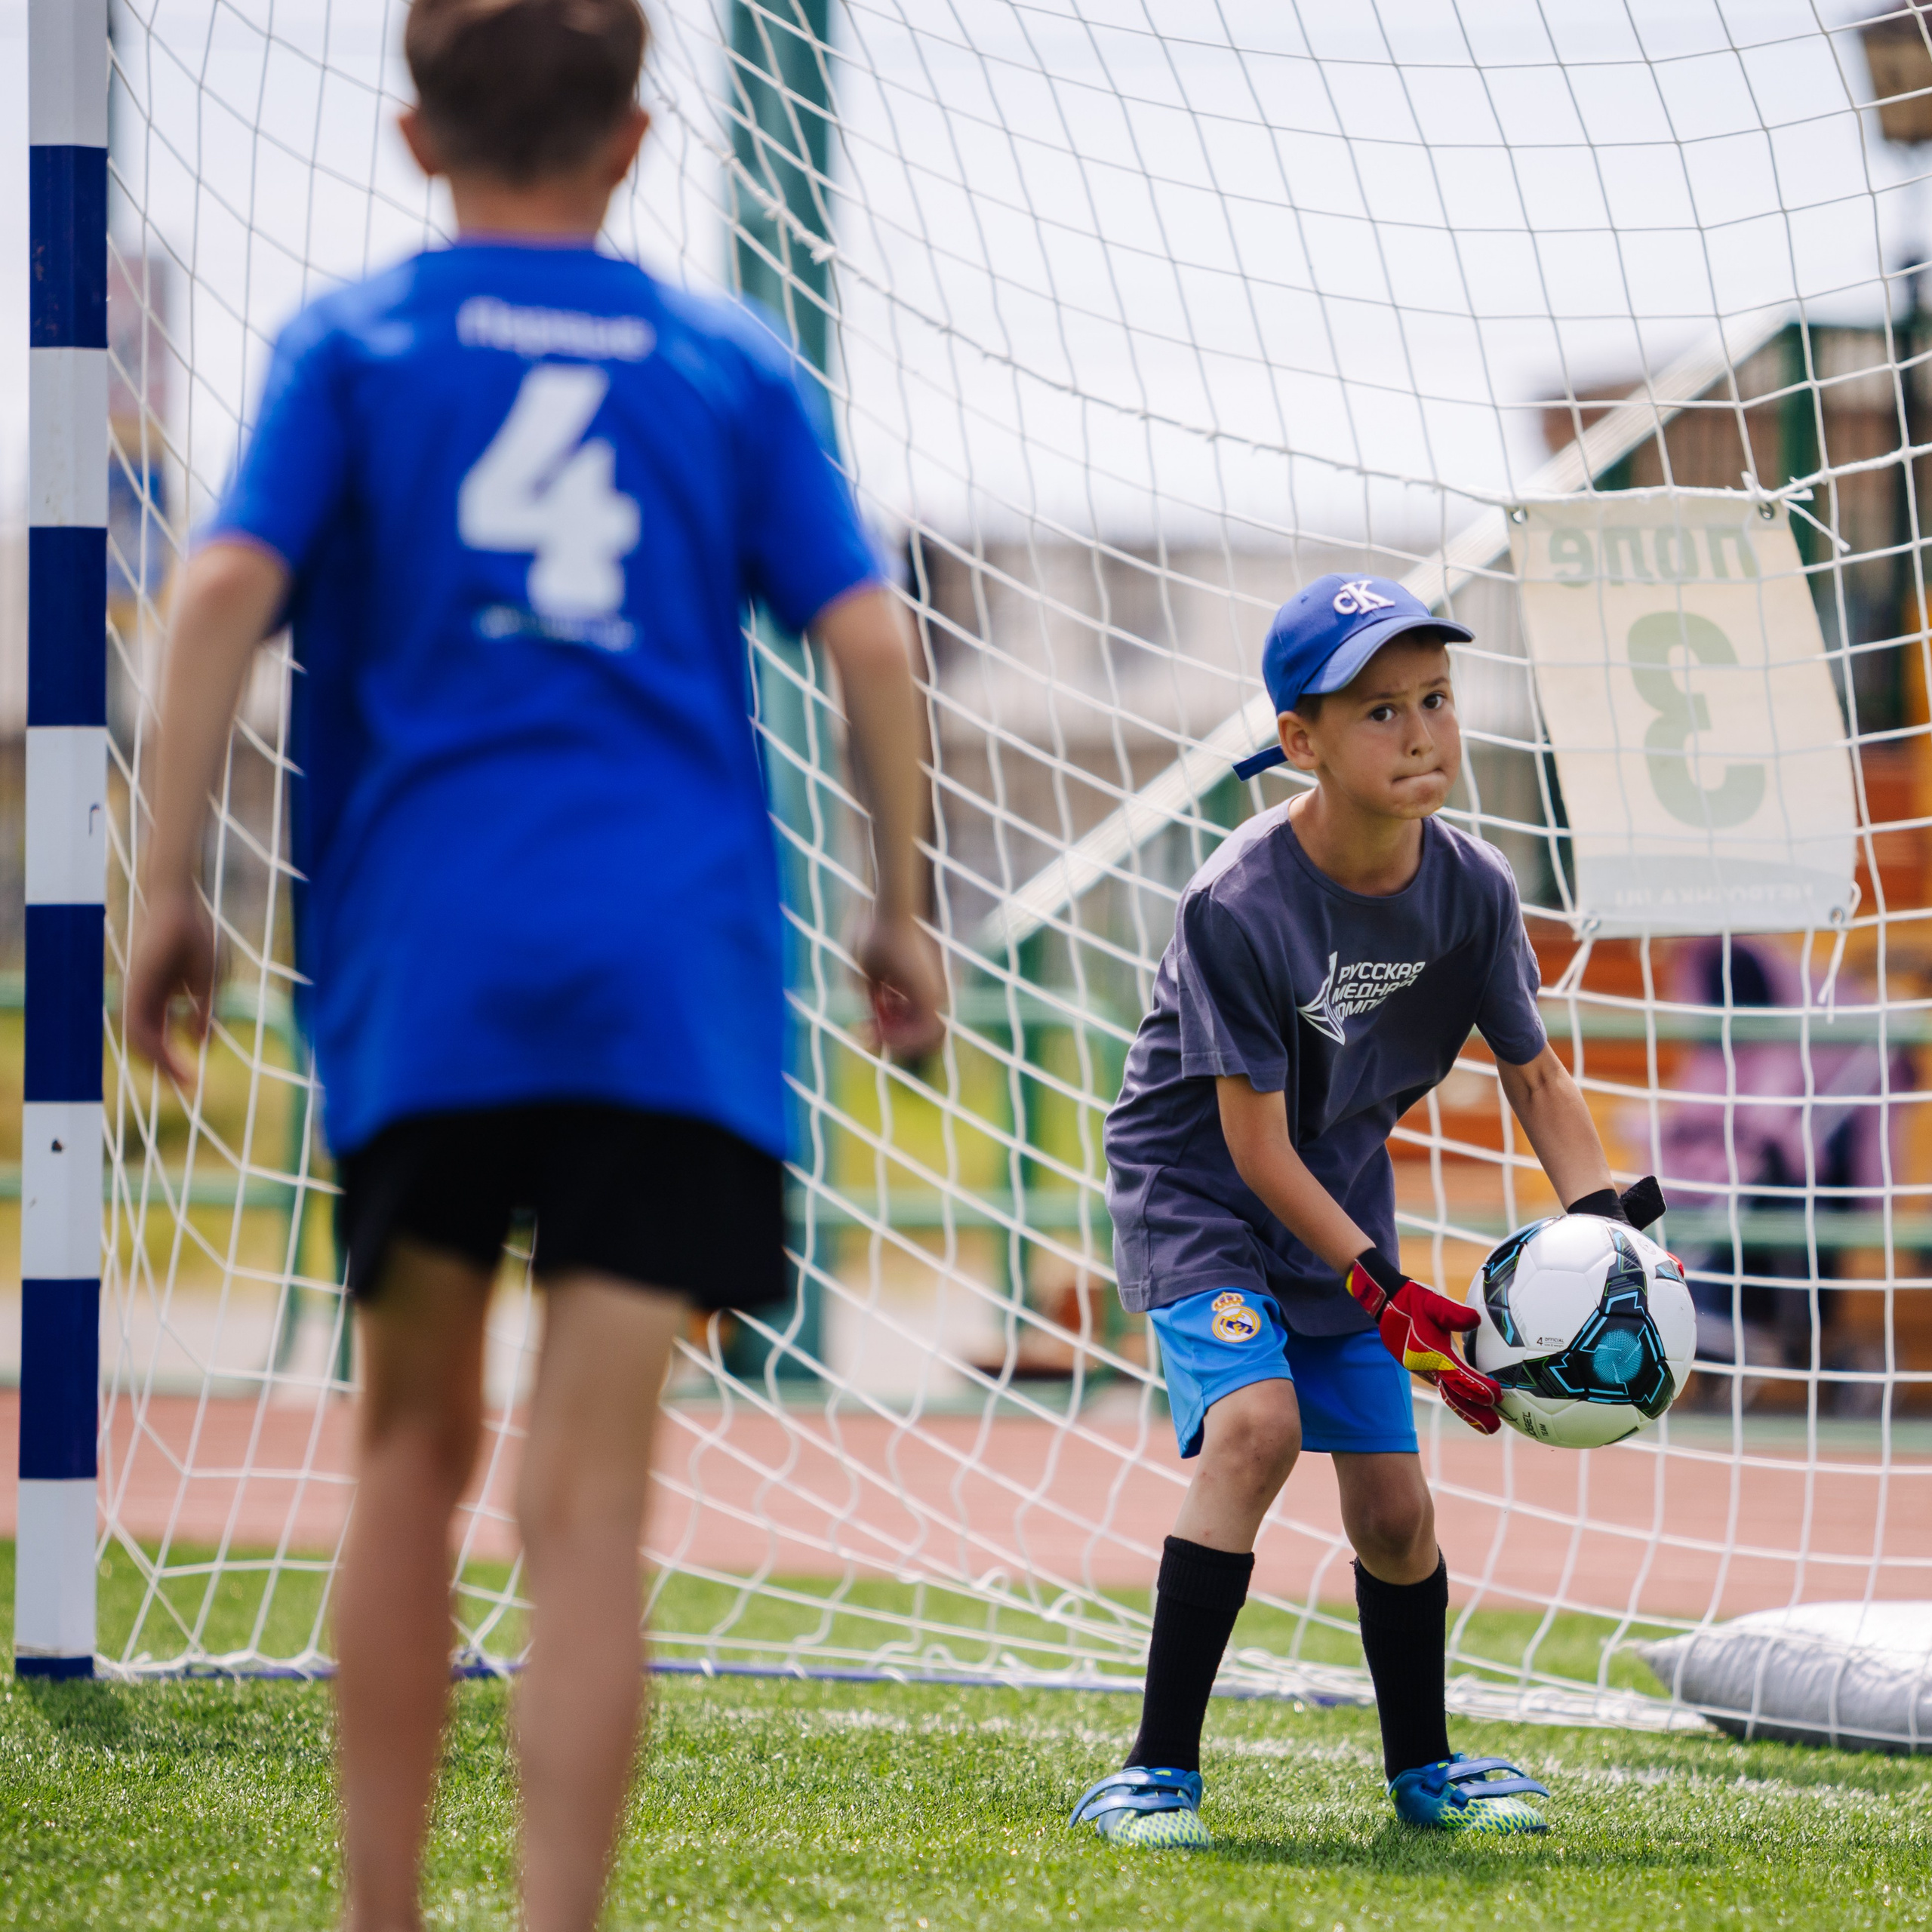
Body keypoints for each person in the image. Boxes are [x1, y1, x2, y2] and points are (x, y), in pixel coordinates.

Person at [122, 3, 944, 1928]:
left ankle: (381, 1913)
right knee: (589, 1505)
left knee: (406, 1453)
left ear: (414, 134)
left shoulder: (354, 344)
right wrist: (898, 906)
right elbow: (876, 642)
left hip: (430, 971)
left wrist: (165, 879)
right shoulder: (723, 360)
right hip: (668, 987)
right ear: (637, 141)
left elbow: (224, 586)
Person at [1073, 574, 1660, 1847]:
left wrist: (1614, 1235)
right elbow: (1251, 1145)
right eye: (1381, 711)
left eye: (1437, 700)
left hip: (1333, 1194)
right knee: (1258, 1432)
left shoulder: (1475, 888)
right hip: (1204, 1202)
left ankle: (1426, 1769)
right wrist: (1386, 1292)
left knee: (1396, 1514)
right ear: (1302, 743)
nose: (1423, 734)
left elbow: (1540, 1078)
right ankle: (1154, 1769)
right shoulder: (1235, 903)